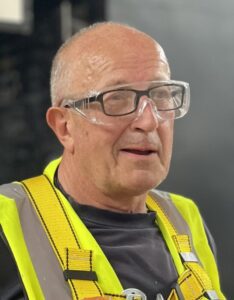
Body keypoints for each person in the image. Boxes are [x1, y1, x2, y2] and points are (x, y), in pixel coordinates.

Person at [0, 22, 225, 300]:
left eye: (161, 95)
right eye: (117, 99)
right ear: (64, 127)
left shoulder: (186, 219)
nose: (149, 120)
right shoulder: (8, 223)